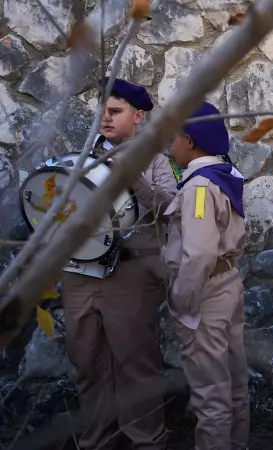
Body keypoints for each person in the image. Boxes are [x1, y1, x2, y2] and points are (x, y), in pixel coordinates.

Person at [61, 78, 175, 450]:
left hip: (131, 273)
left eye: (115, 112)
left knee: (136, 364)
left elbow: (169, 208)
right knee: (87, 362)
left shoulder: (157, 159)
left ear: (138, 115)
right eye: (102, 112)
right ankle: (96, 440)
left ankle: (146, 440)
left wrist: (133, 177)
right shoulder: (78, 158)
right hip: (80, 274)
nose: (105, 119)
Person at [164, 101, 248, 450]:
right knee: (234, 385)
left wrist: (182, 302)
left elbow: (198, 253)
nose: (169, 147)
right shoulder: (224, 174)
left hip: (206, 293)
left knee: (211, 394)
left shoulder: (198, 187)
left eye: (173, 139)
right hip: (228, 283)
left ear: (189, 140)